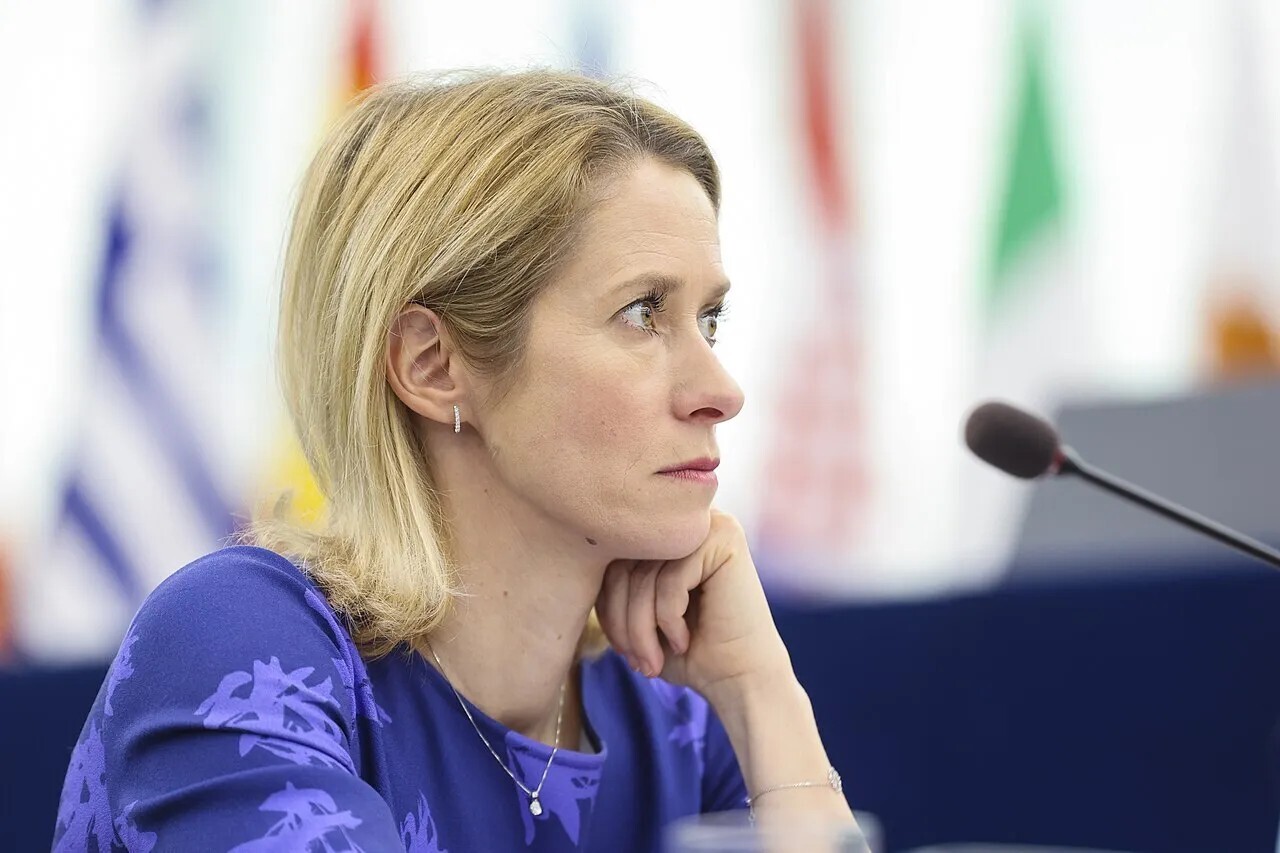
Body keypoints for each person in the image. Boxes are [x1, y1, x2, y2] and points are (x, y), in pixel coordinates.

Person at [53, 69, 855, 852]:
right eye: (643, 312)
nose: (723, 391)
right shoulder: (238, 641)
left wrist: (762, 693)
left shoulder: (675, 707)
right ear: (432, 365)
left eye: (709, 319)